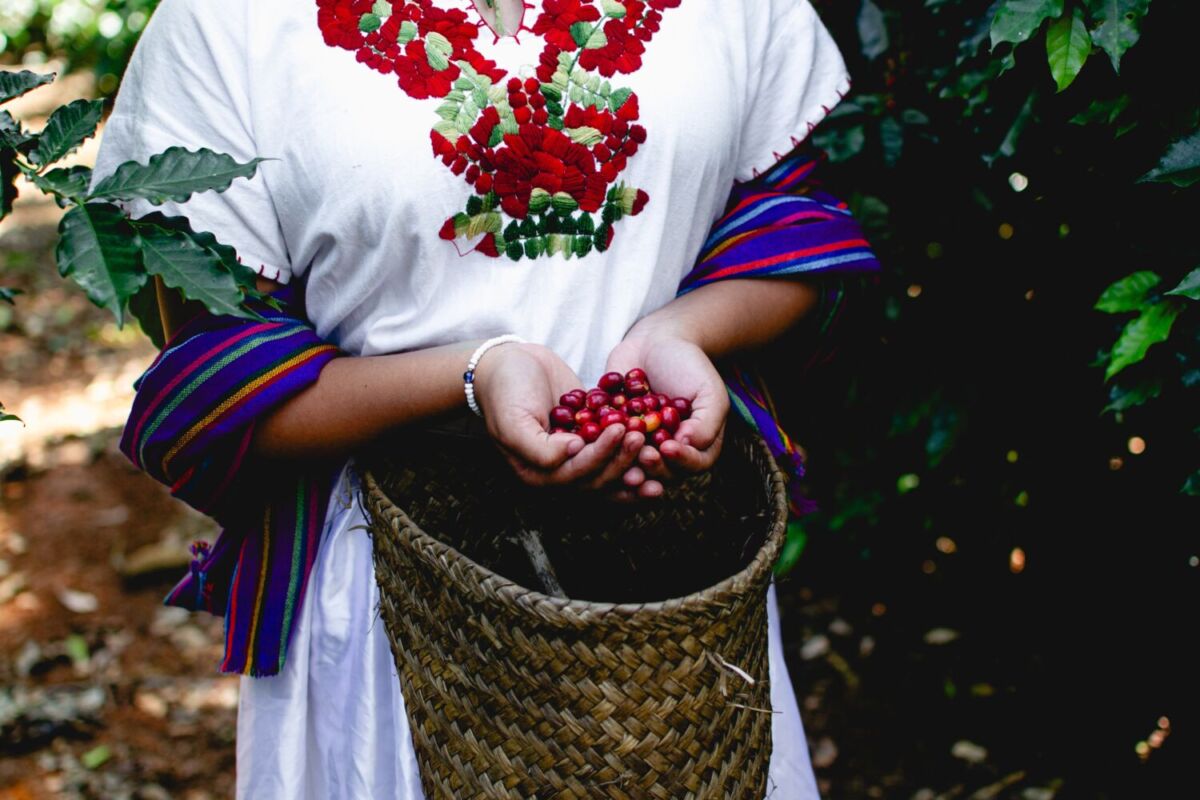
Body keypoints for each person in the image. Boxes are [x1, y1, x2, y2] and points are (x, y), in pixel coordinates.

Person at [92, 0, 878, 796]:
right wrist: (473, 375)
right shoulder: (227, 23)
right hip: (393, 613)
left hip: (676, 593)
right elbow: (212, 387)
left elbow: (798, 230)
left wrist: (680, 335)